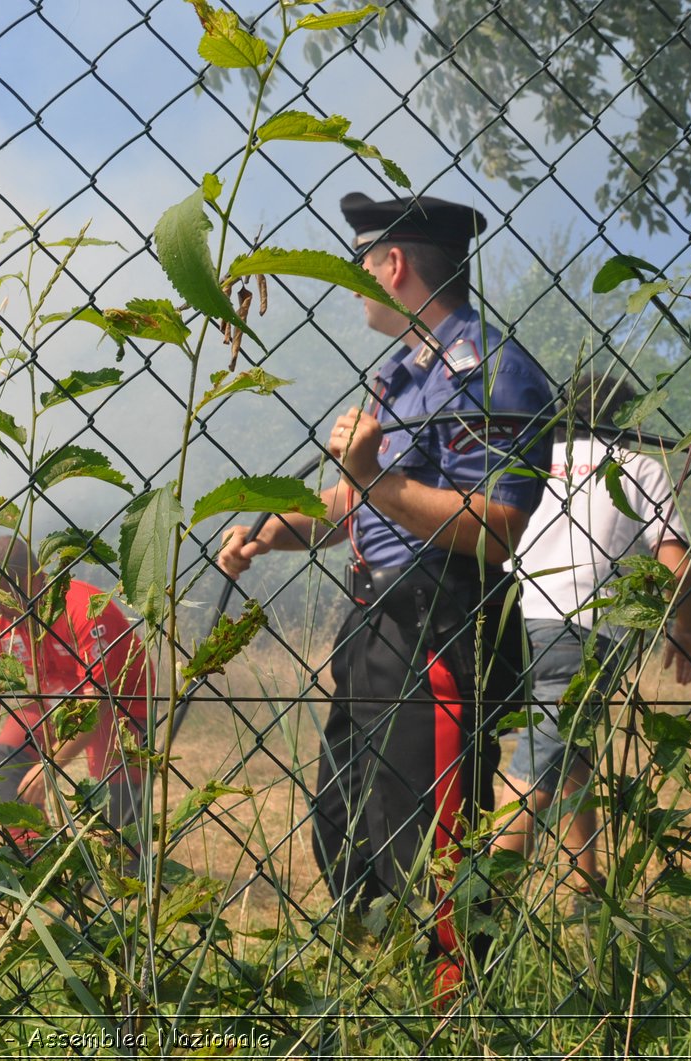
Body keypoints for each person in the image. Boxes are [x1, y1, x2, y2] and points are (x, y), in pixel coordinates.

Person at [215, 193, 555, 996]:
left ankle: (449, 1018)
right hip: (371, 626)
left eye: (361, 264)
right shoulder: (401, 373)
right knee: (346, 832)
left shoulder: (490, 368)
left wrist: (372, 476)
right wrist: (274, 529)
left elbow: (497, 524)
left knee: (429, 852)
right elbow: (351, 507)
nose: (356, 280)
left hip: (438, 624)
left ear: (392, 264)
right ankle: (382, 1004)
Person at [497, 372, 691, 890]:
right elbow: (675, 565)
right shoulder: (639, 467)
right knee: (541, 762)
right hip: (584, 630)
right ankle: (479, 897)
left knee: (567, 745)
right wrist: (686, 628)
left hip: (510, 620)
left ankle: (585, 882)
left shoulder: (530, 461)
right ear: (629, 418)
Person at [0, 535, 152, 848]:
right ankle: (34, 858)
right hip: (50, 702)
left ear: (31, 580)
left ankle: (126, 875)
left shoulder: (87, 610)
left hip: (118, 708)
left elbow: (98, 703)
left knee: (116, 811)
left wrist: (50, 765)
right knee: (8, 765)